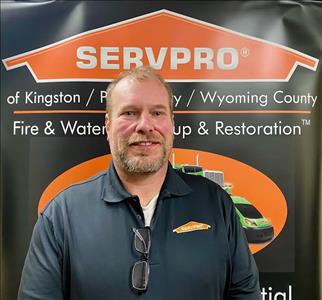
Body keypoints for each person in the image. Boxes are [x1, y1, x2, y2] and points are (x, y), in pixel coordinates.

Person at [18, 66, 261, 299]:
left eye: (157, 113)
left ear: (172, 123)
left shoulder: (216, 204)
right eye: (129, 113)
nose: (145, 125)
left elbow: (245, 294)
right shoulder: (62, 216)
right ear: (108, 124)